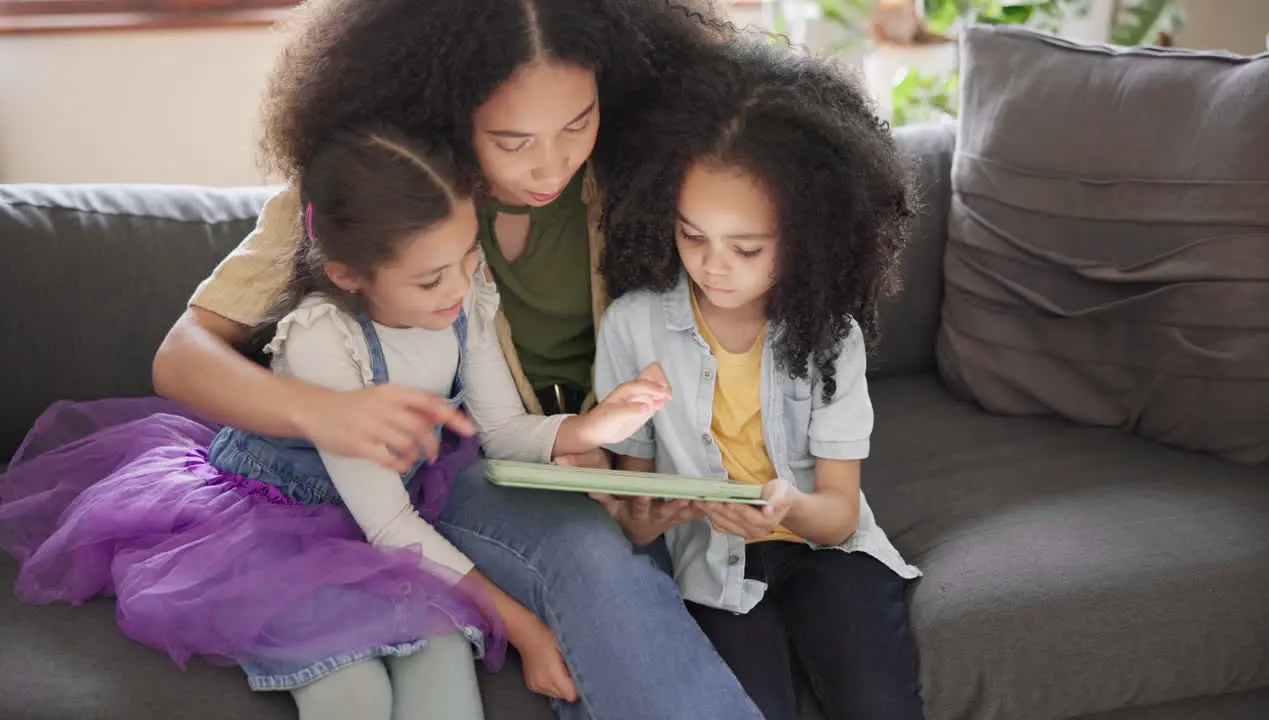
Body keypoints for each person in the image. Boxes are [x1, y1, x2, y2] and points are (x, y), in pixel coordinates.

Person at [148, 0, 764, 718]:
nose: (552, 164)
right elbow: (182, 356)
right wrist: (329, 414)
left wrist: (627, 466)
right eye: (512, 140)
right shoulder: (379, 193)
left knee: (629, 565)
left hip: (561, 456)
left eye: (578, 124)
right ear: (445, 110)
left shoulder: (635, 176)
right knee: (588, 561)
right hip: (439, 470)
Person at [0, 128, 670, 720]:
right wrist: (523, 629)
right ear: (350, 274)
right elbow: (388, 524)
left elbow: (503, 431)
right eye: (432, 278)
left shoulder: (467, 292)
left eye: (469, 255)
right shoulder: (321, 341)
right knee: (353, 696)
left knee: (442, 668)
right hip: (275, 531)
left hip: (379, 524)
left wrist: (593, 428)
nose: (461, 287)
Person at [592, 39, 927, 720]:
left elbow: (836, 516)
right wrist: (643, 519)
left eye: (746, 248)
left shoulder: (832, 337)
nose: (714, 267)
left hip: (821, 547)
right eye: (692, 237)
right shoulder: (633, 327)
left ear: (806, 237)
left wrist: (786, 507)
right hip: (709, 563)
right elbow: (636, 498)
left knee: (879, 703)